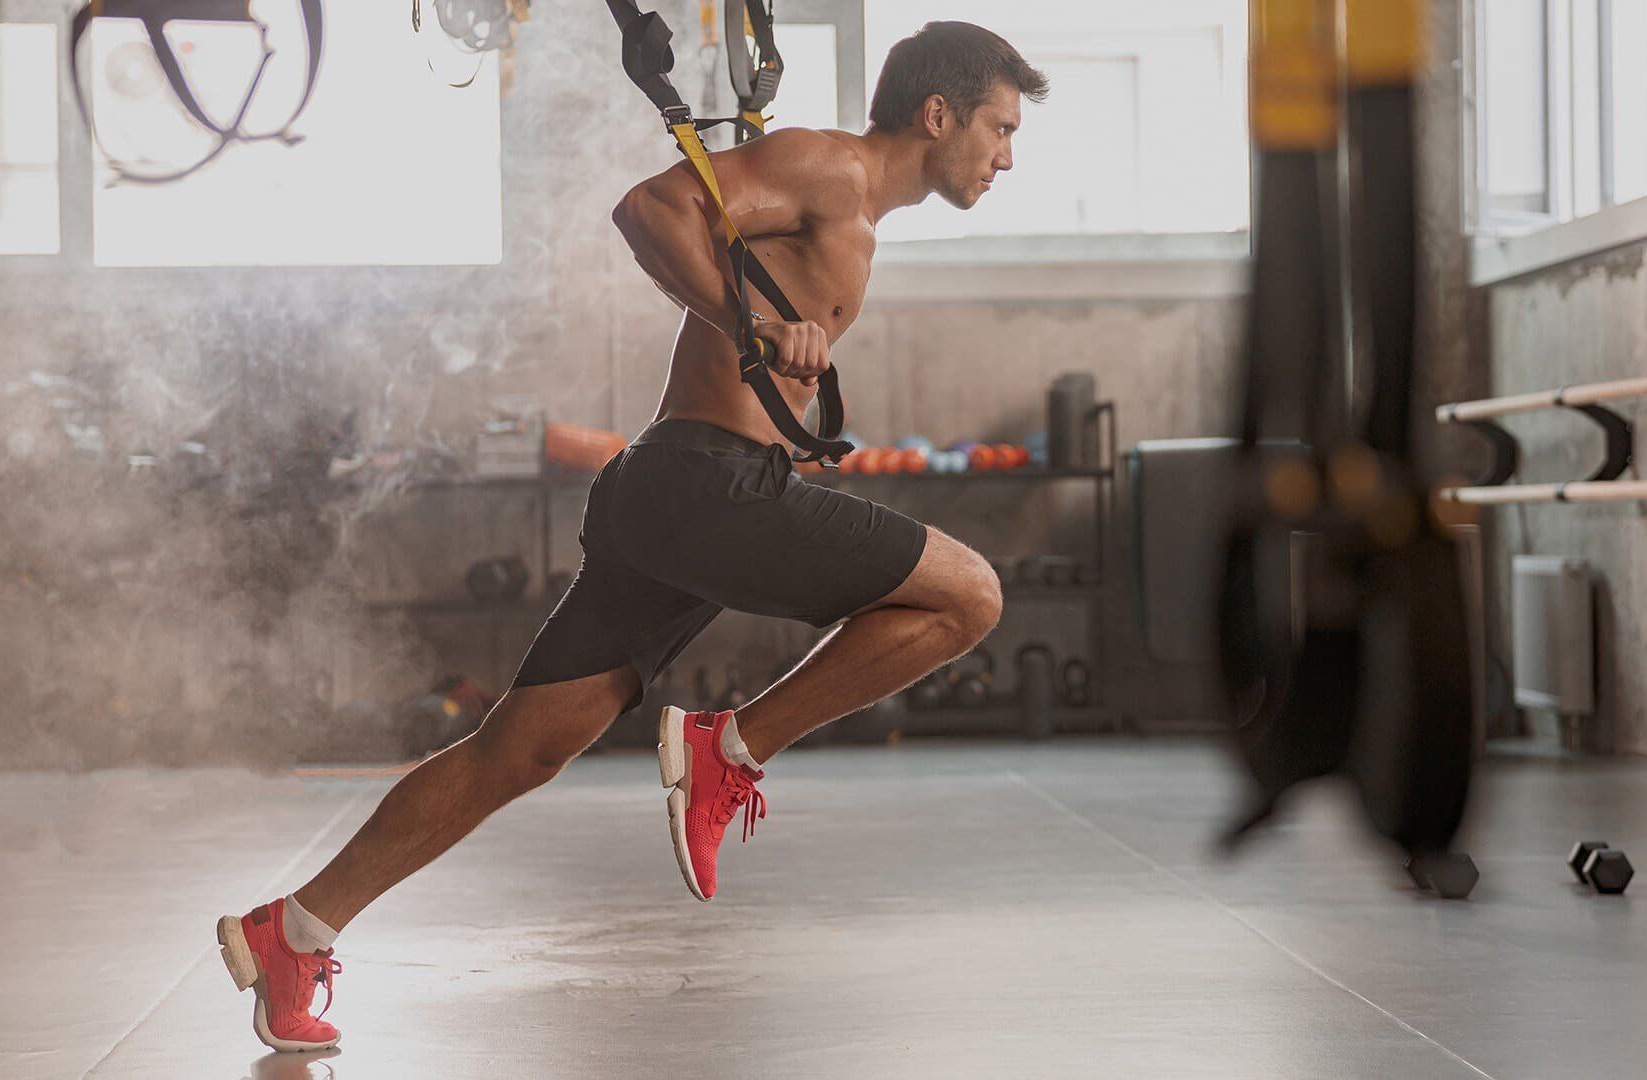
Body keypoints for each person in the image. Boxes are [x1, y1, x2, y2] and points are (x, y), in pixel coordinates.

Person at [212, 20, 1049, 1053]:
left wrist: (764, 340)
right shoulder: (825, 166)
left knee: (518, 749)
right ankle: (730, 748)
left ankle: (295, 929)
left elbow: (717, 252)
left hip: (673, 495)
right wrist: (749, 328)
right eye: (1001, 129)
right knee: (970, 596)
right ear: (939, 113)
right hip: (706, 490)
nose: (1007, 155)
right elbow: (651, 206)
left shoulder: (852, 207)